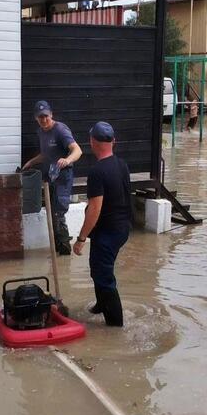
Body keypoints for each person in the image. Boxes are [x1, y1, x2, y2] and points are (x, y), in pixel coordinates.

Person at [72, 122, 132, 327]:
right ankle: (101, 304)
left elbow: (95, 209)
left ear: (92, 142)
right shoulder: (121, 164)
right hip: (121, 227)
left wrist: (80, 239)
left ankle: (115, 326)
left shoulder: (97, 171)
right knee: (96, 268)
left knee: (104, 276)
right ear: (113, 141)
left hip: (109, 231)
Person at [23, 101, 82, 255]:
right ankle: (57, 250)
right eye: (40, 117)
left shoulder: (61, 130)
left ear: (51, 114)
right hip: (51, 175)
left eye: (46, 117)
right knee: (51, 210)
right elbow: (46, 154)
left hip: (63, 176)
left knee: (59, 213)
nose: (44, 120)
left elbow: (77, 150)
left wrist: (67, 160)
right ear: (36, 118)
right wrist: (31, 162)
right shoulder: (41, 132)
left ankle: (64, 252)